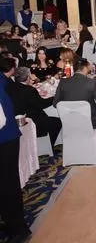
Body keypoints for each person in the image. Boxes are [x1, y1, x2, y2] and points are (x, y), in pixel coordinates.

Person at [53, 58, 96, 154]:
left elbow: (55, 103)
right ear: (85, 68)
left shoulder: (63, 82)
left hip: (69, 121)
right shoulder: (91, 82)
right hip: (89, 121)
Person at [0, 58, 31, 243]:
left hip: (5, 139)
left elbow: (1, 119)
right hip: (6, 136)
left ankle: (18, 228)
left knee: (7, 184)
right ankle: (9, 221)